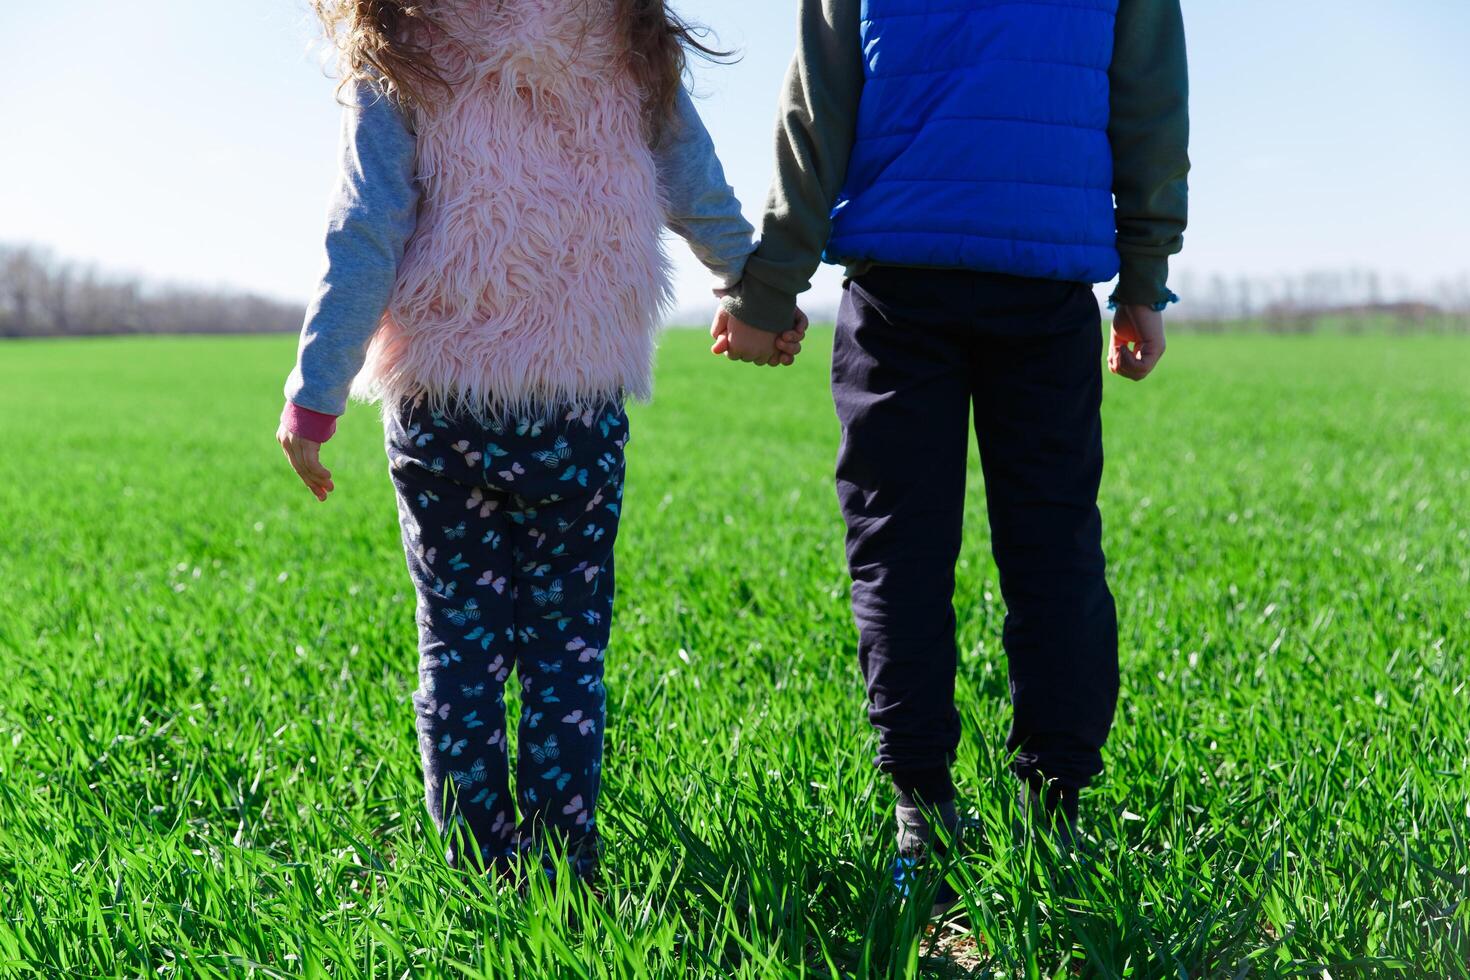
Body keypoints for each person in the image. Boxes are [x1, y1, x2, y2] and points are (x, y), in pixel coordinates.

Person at [276, 0, 807, 881]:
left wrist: (314, 397)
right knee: (566, 651)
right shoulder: (623, 28)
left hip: (444, 405)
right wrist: (756, 292)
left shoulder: (400, 39)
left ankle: (481, 871)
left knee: (459, 649)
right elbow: (694, 179)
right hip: (576, 406)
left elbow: (366, 225)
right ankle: (566, 867)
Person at [714, 0, 1189, 910]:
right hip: (1045, 284)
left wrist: (769, 291)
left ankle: (921, 812)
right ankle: (1058, 819)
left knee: (899, 553)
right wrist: (1143, 279)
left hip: (899, 287)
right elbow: (1151, 108)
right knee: (1055, 553)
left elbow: (817, 113)